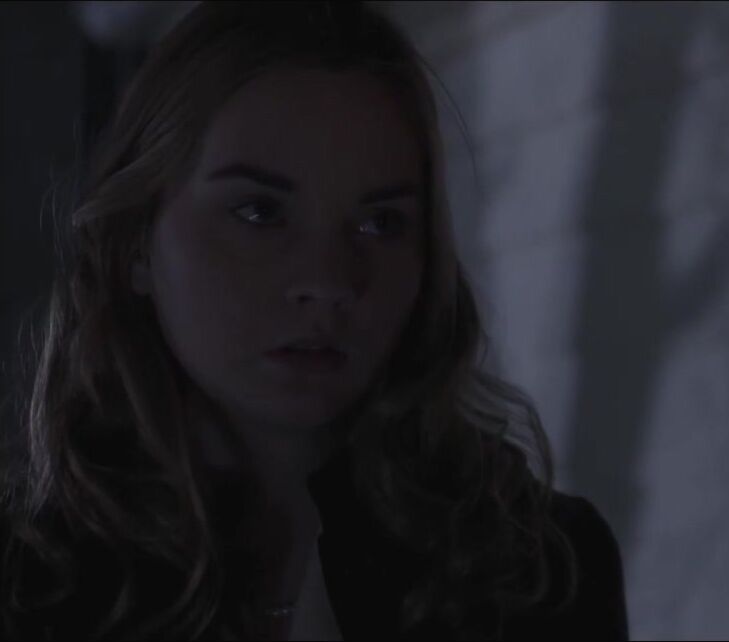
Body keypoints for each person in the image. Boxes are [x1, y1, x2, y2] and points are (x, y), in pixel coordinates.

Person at [0, 2, 628, 639]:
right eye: (259, 212)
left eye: (379, 222)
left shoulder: (538, 571)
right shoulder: (31, 581)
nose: (329, 281)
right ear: (137, 240)